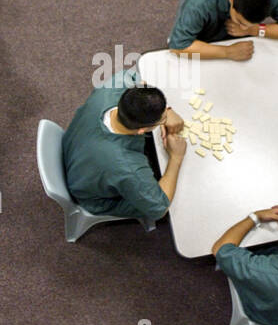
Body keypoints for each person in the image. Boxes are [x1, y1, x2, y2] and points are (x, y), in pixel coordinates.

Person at [62, 70, 187, 223]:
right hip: (92, 195)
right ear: (142, 130)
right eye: (161, 121)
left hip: (78, 151)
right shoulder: (128, 167)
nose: (165, 121)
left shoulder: (113, 86)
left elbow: (136, 76)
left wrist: (166, 109)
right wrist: (176, 158)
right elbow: (159, 207)